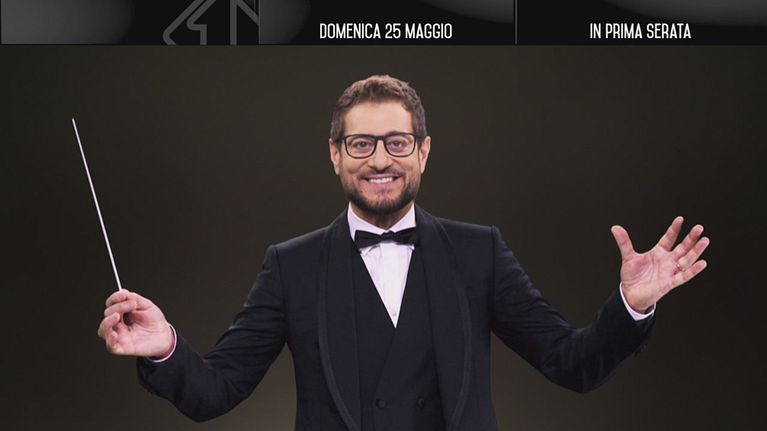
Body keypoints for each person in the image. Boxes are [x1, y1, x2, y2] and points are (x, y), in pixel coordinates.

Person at [97, 75, 709, 431]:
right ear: (335, 155)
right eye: (361, 144)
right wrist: (165, 346)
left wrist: (631, 305)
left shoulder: (479, 252)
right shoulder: (291, 265)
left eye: (397, 142)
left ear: (423, 151)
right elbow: (216, 391)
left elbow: (569, 364)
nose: (380, 160)